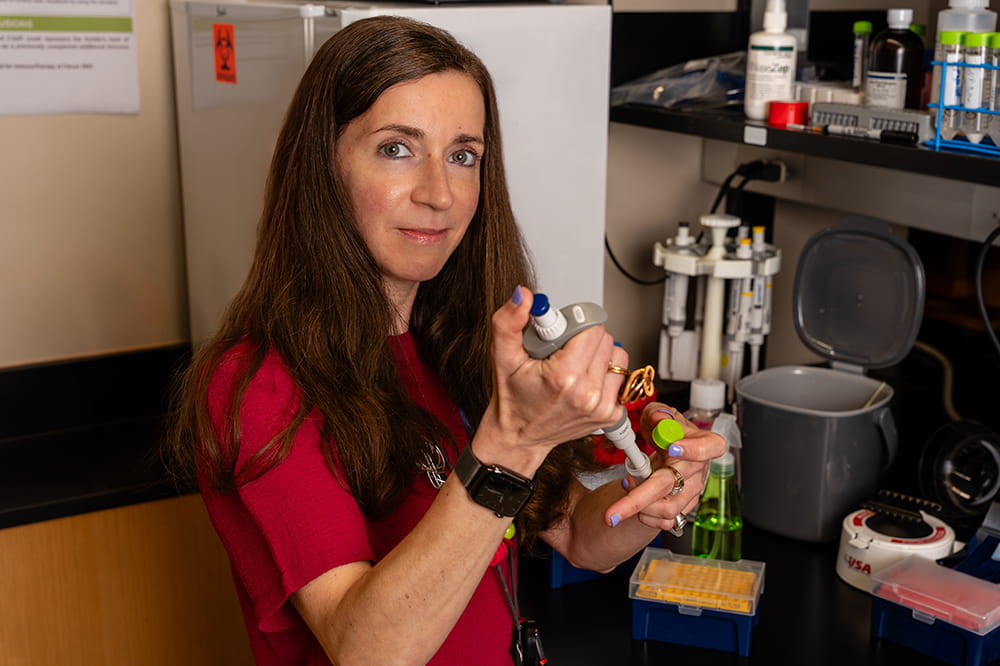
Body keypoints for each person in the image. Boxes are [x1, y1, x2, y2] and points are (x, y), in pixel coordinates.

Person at [167, 15, 725, 666]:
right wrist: (514, 443)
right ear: (322, 165)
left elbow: (574, 530)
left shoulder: (456, 344)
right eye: (397, 148)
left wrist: (655, 492)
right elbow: (367, 650)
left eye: (463, 156)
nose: (440, 193)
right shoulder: (258, 383)